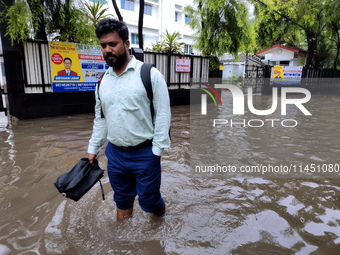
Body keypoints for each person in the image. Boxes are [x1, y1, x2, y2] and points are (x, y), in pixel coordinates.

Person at [85, 18, 171, 221]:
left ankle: (161, 218)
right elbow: (101, 119)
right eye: (103, 46)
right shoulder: (102, 82)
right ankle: (123, 246)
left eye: (112, 44)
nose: (107, 50)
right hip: (115, 155)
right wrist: (92, 149)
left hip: (145, 153)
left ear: (126, 44)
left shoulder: (149, 74)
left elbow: (163, 116)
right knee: (122, 200)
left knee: (149, 202)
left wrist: (156, 153)